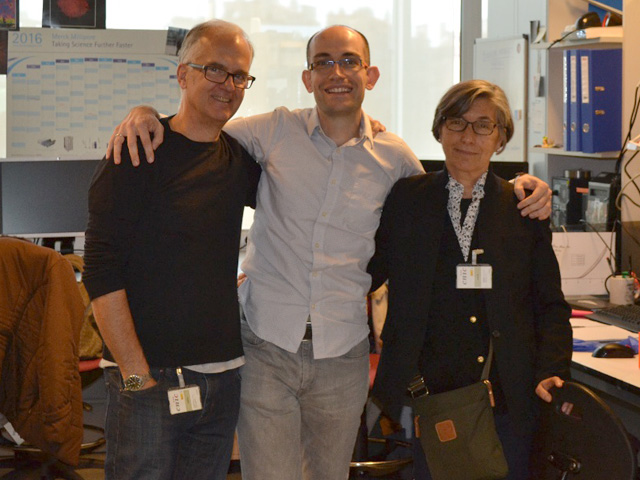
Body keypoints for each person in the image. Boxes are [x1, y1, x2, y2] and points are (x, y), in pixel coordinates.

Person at [107, 26, 553, 480]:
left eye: (349, 61)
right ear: (308, 77)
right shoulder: (272, 130)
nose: (336, 72)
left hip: (343, 354)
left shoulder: (396, 158)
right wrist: (145, 114)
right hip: (266, 346)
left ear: (370, 74)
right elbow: (197, 126)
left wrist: (521, 189)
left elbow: (447, 201)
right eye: (323, 62)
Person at [82, 20, 261, 480]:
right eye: (215, 71)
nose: (229, 85)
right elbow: (101, 270)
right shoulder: (137, 151)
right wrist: (136, 377)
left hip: (222, 376)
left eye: (240, 75)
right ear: (183, 75)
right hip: (148, 378)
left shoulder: (239, 161)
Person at [368, 80, 573, 480]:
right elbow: (367, 270)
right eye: (456, 123)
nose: (468, 137)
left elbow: (549, 302)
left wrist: (553, 367)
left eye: (484, 126)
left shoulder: (523, 206)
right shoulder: (407, 198)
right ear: (439, 129)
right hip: (428, 392)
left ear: (500, 139)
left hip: (507, 389)